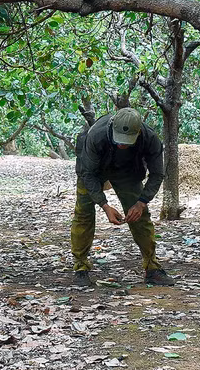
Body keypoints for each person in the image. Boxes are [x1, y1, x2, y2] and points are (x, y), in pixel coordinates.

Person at [71, 107, 175, 287]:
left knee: (140, 217)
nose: (122, 145)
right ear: (112, 127)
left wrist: (141, 203)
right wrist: (105, 206)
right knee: (84, 214)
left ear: (139, 132)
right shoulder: (96, 134)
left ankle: (152, 267)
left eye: (127, 142)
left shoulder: (150, 139)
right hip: (93, 170)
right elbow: (87, 174)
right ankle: (81, 267)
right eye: (119, 140)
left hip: (128, 171)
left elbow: (157, 174)